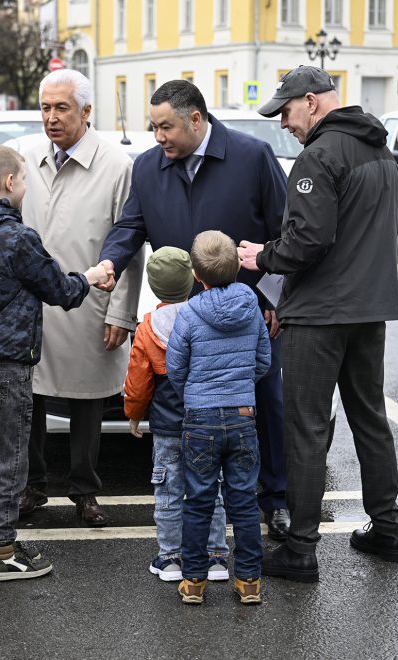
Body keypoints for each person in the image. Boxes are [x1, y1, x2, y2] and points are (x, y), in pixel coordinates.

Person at [96, 79, 292, 541]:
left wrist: (274, 299)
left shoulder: (252, 156)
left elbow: (285, 231)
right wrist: (109, 261)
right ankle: (199, 510)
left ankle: (277, 498)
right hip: (185, 320)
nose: (158, 136)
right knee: (191, 412)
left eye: (165, 126)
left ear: (196, 119)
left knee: (267, 402)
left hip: (250, 313)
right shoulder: (146, 168)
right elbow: (130, 226)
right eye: (153, 126)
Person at [237, 65, 398, 583]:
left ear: (311, 102)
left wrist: (260, 257)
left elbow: (308, 241)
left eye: (285, 112)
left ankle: (301, 550)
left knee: (305, 429)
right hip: (368, 308)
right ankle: (387, 528)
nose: (283, 123)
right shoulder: (379, 149)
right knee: (370, 420)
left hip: (320, 313)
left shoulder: (319, 155)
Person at [0, 145, 109, 580]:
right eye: (23, 179)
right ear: (9, 183)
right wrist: (91, 277)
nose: (25, 186)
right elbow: (59, 289)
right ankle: (3, 552)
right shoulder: (19, 238)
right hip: (9, 363)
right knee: (11, 462)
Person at [19, 69, 143, 527]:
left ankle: (85, 491)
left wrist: (123, 312)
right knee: (27, 397)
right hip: (31, 305)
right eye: (46, 108)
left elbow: (130, 245)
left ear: (87, 112)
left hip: (90, 303)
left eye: (62, 108)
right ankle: (32, 487)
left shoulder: (116, 164)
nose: (51, 118)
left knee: (88, 402)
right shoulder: (25, 155)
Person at [166, 231, 270, 607]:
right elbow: (263, 360)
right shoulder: (252, 308)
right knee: (243, 500)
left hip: (201, 417)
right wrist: (240, 385)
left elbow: (175, 367)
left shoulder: (190, 312)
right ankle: (249, 582)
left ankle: (193, 581)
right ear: (237, 268)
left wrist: (196, 393)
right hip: (243, 415)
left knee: (198, 500)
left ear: (197, 273)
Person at [124, 246, 231, 583]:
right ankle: (215, 557)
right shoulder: (208, 317)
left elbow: (139, 379)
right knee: (210, 488)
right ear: (192, 280)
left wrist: (134, 413)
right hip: (208, 420)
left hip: (169, 426)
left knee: (169, 492)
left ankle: (170, 557)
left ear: (154, 287)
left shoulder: (148, 327)